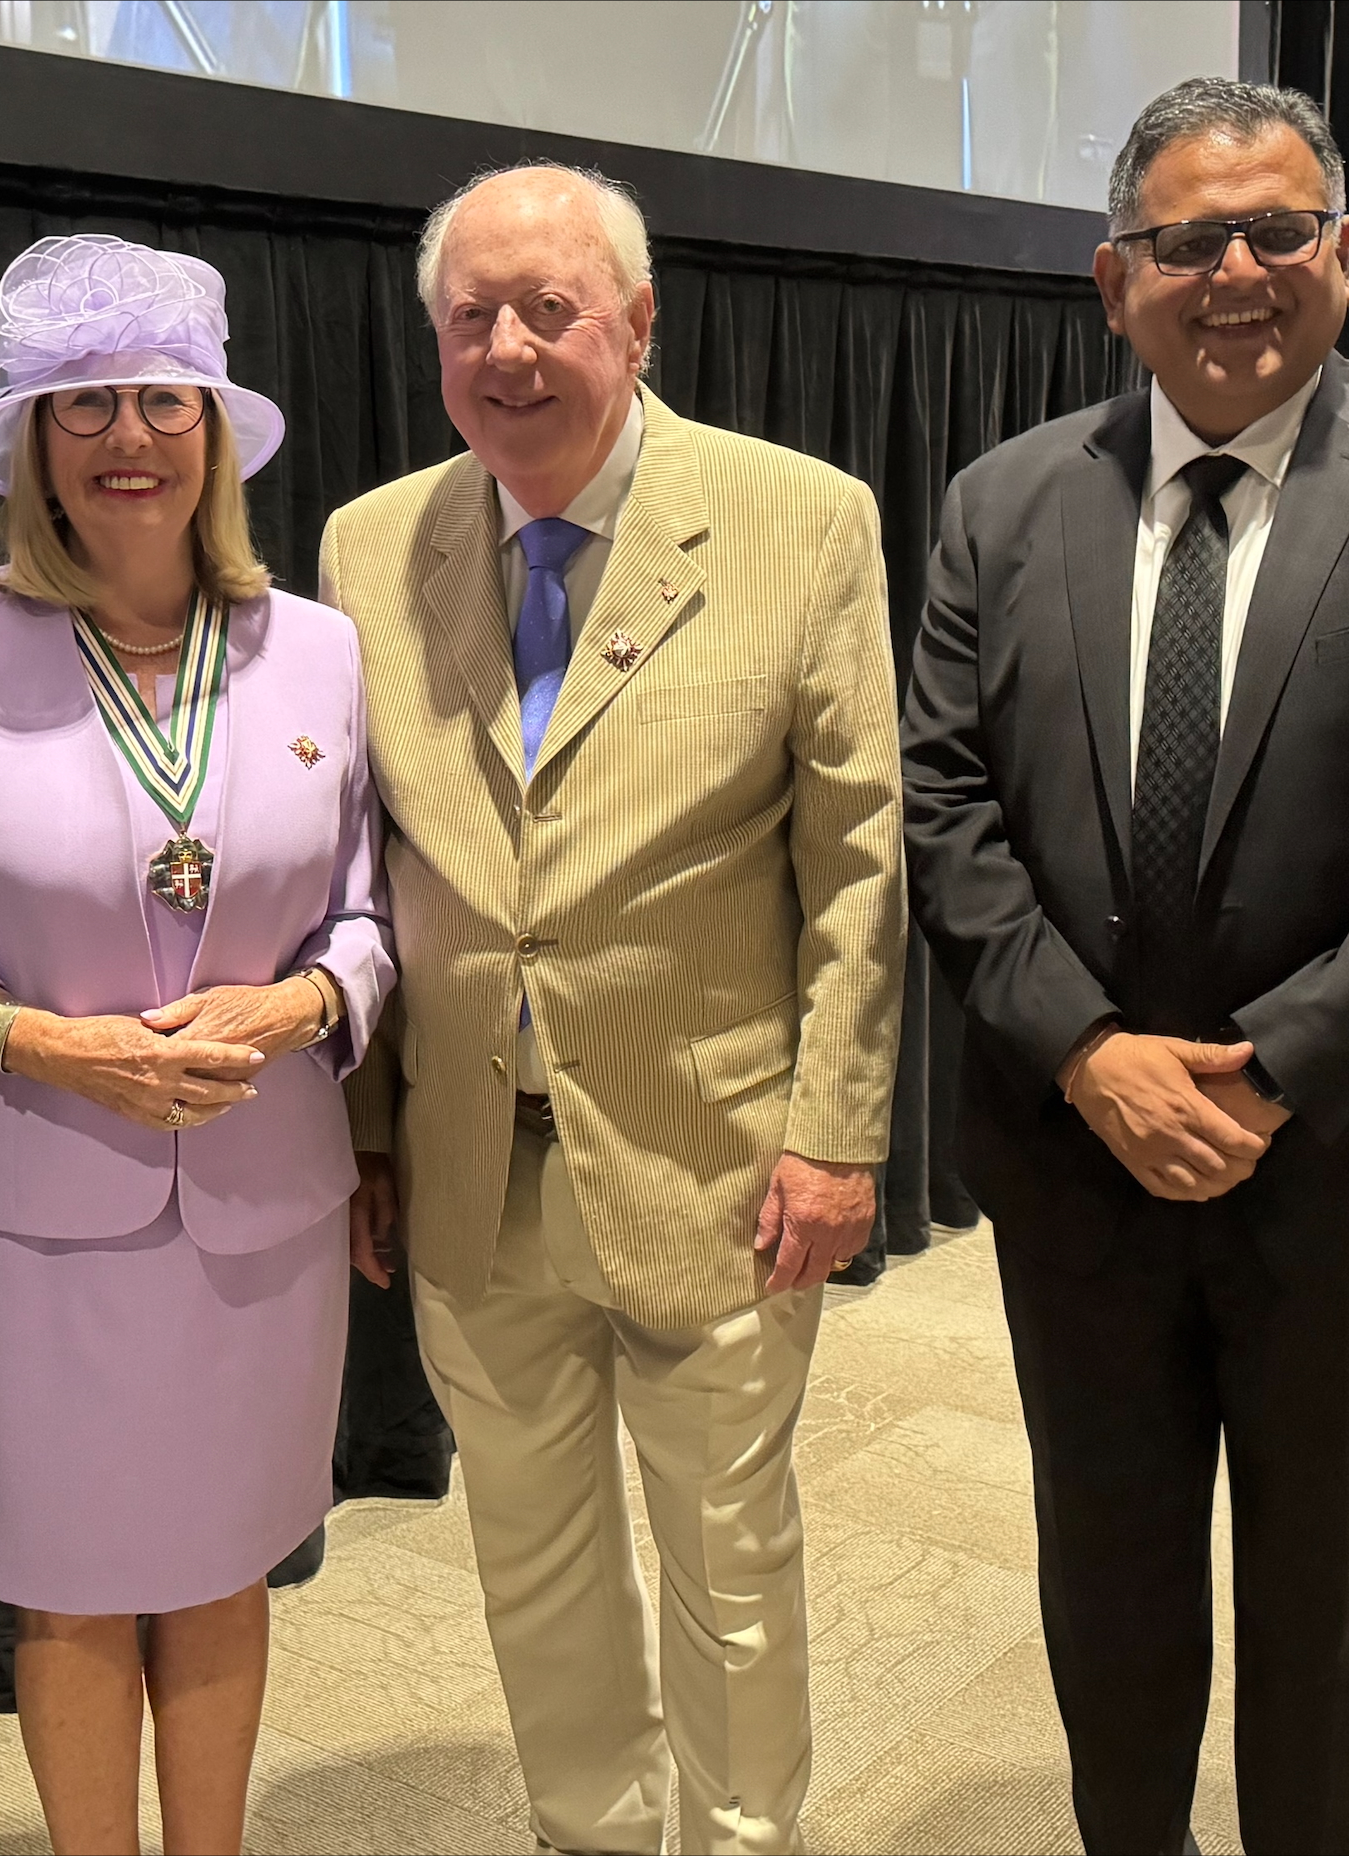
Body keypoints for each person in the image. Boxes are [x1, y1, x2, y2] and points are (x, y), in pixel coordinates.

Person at [901, 76, 1349, 1854]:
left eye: (1276, 229)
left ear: (1346, 255)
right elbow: (944, 805)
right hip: (1083, 1165)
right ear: (1113, 279)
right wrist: (1091, 1056)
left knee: (1329, 1624)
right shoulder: (1000, 506)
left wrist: (1269, 1067)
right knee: (1108, 1592)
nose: (1235, 269)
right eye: (1186, 240)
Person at [321, 164, 905, 1855]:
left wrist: (836, 1134)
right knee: (533, 1554)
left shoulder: (802, 517)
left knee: (730, 1560)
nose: (507, 350)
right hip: (463, 1160)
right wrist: (364, 1130)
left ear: (640, 326)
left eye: (550, 311)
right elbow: (356, 860)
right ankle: (589, 1832)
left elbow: (861, 856)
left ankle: (738, 1841)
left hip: (720, 1161)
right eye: (467, 319)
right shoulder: (374, 542)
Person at [0, 233, 393, 1856]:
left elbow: (374, 919)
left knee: (229, 1564)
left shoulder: (316, 647)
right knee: (77, 1591)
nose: (126, 437)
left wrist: (305, 1004)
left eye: (161, 400)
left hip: (263, 1206)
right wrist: (39, 1041)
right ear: (31, 437)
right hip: (41, 1211)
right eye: (82, 402)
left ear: (216, 429)